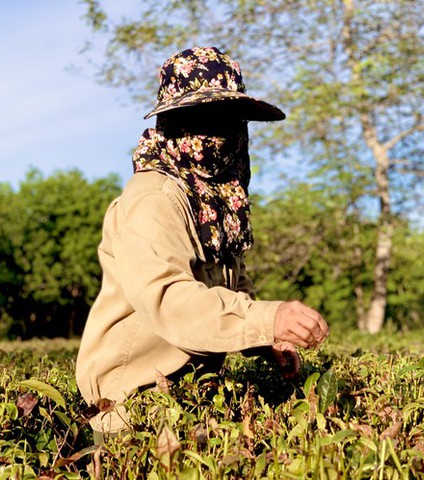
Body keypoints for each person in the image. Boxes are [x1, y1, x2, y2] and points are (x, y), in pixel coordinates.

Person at [75, 46, 329, 437]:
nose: (219, 135)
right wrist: (268, 317)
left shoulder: (217, 197)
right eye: (205, 119)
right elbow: (170, 300)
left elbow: (231, 281)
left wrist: (266, 341)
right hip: (130, 400)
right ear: (174, 122)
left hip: (193, 392)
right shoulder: (153, 199)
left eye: (229, 119)